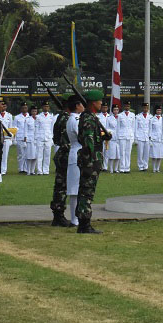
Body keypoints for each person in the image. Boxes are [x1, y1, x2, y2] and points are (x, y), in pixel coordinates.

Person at [75, 89, 113, 233]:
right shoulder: (89, 118)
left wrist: (104, 137)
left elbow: (94, 138)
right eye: (99, 101)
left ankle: (83, 222)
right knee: (86, 192)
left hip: (91, 160)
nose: (101, 103)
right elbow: (88, 142)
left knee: (86, 191)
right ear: (92, 103)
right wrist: (90, 160)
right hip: (90, 161)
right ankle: (84, 224)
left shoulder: (90, 117)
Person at [49, 97, 74, 226]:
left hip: (62, 154)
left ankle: (58, 215)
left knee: (61, 185)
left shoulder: (61, 117)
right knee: (62, 186)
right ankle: (59, 215)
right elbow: (65, 140)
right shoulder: (66, 119)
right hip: (66, 155)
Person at [64, 95, 87, 226]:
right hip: (77, 153)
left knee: (78, 189)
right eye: (81, 104)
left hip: (78, 153)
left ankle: (77, 217)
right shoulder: (75, 120)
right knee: (74, 189)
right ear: (77, 106)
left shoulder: (74, 119)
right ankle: (74, 219)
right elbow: (82, 136)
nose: (83, 106)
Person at [116, 101, 136, 173]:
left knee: (128, 152)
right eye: (126, 106)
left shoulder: (133, 115)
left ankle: (127, 168)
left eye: (128, 106)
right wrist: (118, 137)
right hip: (122, 135)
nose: (127, 107)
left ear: (129, 107)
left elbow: (133, 127)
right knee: (122, 152)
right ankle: (122, 168)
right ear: (124, 106)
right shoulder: (120, 115)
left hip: (129, 135)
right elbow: (118, 127)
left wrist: (133, 137)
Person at [135, 103, 152, 171]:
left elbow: (151, 128)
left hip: (147, 136)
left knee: (146, 153)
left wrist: (150, 136)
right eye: (144, 108)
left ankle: (145, 166)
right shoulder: (138, 116)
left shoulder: (150, 117)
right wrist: (135, 138)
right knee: (140, 153)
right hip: (140, 136)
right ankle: (140, 166)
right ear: (142, 108)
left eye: (146, 108)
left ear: (148, 109)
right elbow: (136, 127)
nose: (145, 109)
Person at [149, 105, 163, 172]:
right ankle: (154, 168)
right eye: (158, 110)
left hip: (161, 138)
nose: (159, 112)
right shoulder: (152, 119)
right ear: (155, 111)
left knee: (160, 155)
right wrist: (150, 138)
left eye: (160, 110)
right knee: (154, 155)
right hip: (154, 139)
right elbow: (150, 129)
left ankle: (157, 168)